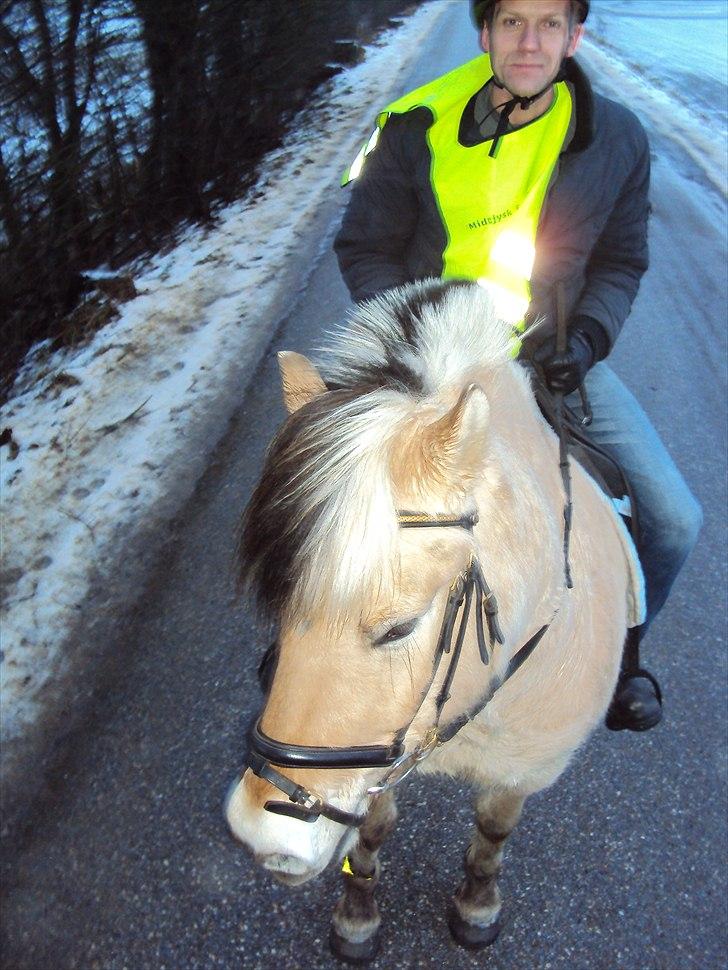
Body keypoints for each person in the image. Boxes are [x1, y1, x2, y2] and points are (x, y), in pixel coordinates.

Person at [334, 0, 702, 731]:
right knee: (336, 499)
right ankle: (312, 653)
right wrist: (418, 332)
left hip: (551, 360)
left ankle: (620, 660)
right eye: (511, 23)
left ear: (576, 35)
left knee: (672, 519)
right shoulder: (417, 124)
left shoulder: (618, 139)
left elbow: (622, 261)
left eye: (547, 24)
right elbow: (364, 249)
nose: (528, 42)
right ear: (484, 32)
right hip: (428, 356)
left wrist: (586, 341)